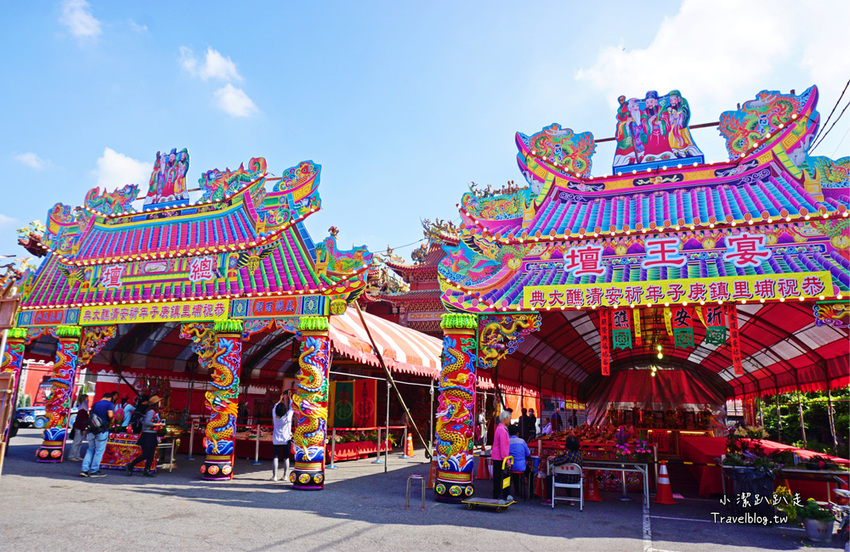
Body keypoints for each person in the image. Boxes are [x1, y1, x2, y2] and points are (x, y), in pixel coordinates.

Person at [81, 391, 118, 478]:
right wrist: (112, 420)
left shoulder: (95, 404)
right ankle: (94, 470)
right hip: (102, 430)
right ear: (110, 398)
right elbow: (110, 415)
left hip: (91, 430)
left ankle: (84, 469)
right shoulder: (109, 404)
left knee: (90, 449)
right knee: (99, 451)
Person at [125, 396, 164, 477]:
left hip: (152, 434)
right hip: (147, 435)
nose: (161, 403)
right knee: (146, 454)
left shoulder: (155, 413)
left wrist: (158, 426)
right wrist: (158, 424)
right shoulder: (151, 412)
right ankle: (131, 465)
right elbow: (147, 423)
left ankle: (147, 469)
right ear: (156, 403)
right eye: (159, 402)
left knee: (151, 454)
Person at [544, 435, 583, 504]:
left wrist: (559, 455)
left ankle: (549, 499)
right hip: (576, 479)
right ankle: (570, 498)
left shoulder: (567, 457)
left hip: (565, 478)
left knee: (549, 478)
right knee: (568, 474)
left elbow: (556, 462)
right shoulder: (579, 455)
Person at [271, 390, 294, 482]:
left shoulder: (274, 416)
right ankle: (285, 475)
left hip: (276, 439)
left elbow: (275, 407)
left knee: (275, 457)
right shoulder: (287, 417)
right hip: (286, 439)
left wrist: (280, 400)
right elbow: (292, 407)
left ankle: (274, 476)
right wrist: (290, 398)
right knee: (286, 457)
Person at [491, 411, 511, 503]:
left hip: (498, 457)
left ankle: (498, 495)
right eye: (509, 418)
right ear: (505, 419)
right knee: (502, 477)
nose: (510, 420)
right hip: (500, 458)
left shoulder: (500, 429)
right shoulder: (502, 430)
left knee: (498, 477)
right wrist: (506, 461)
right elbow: (503, 447)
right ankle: (502, 496)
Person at [508, 424, 531, 500]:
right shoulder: (522, 441)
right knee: (529, 472)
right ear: (517, 433)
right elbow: (528, 453)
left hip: (509, 467)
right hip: (521, 467)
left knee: (514, 474)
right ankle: (530, 492)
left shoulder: (506, 441)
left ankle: (517, 490)